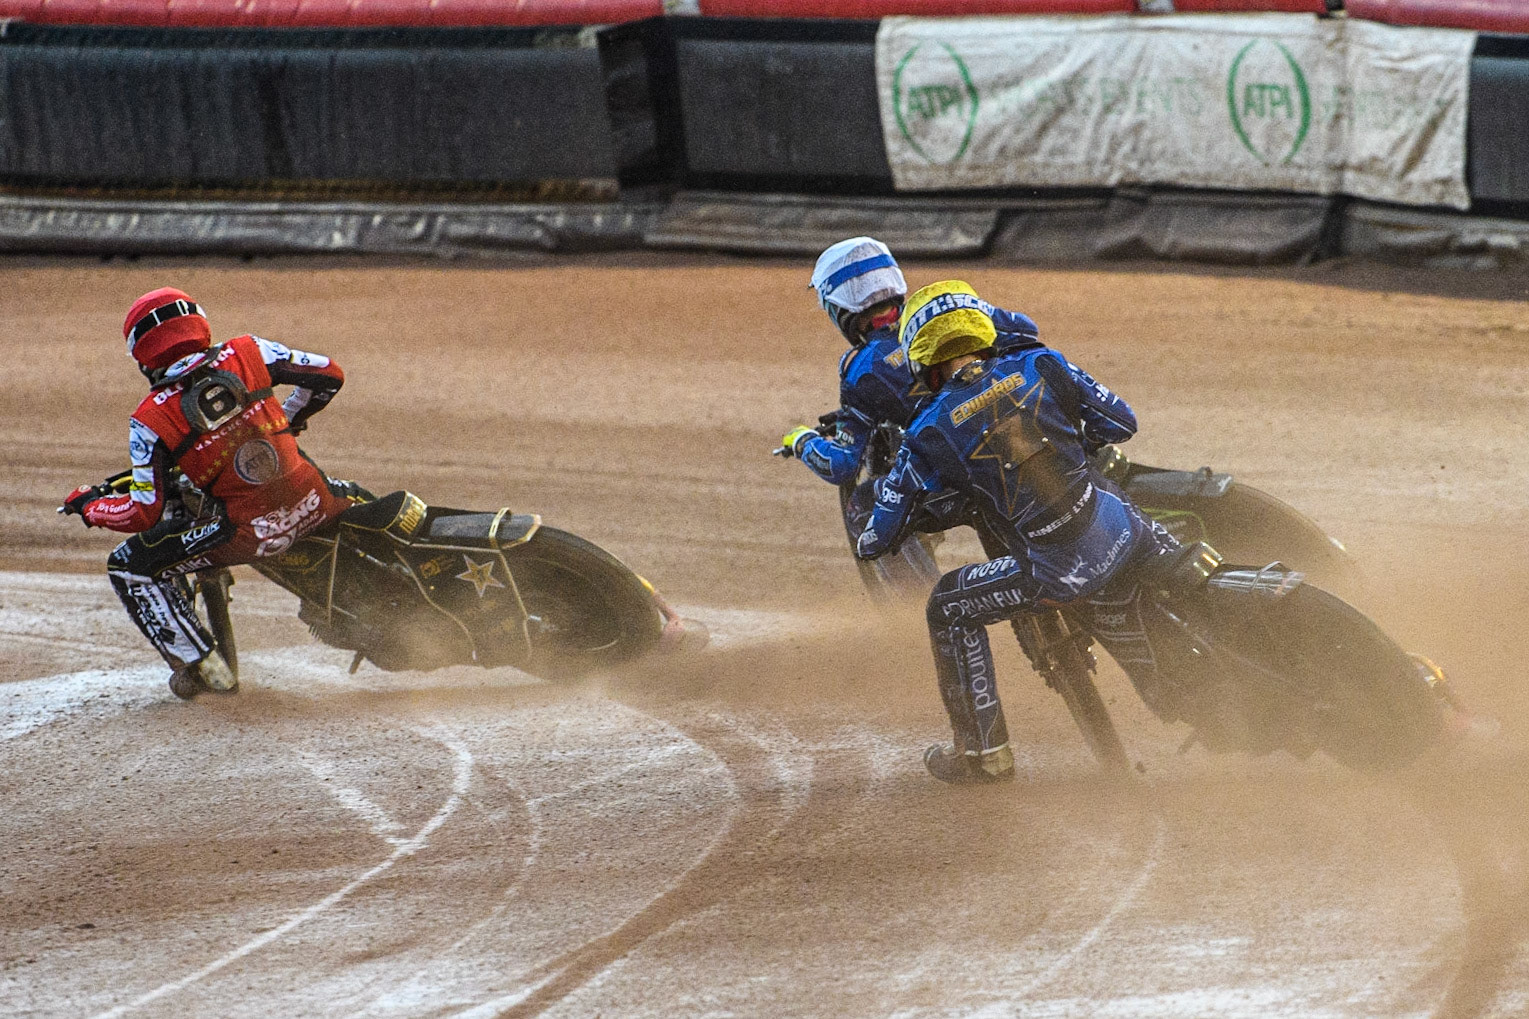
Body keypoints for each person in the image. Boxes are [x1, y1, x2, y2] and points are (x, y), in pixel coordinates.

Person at [855, 280, 1178, 785]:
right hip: (1124, 528)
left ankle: (984, 754)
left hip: (1056, 572)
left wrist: (887, 506)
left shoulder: (926, 432)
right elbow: (1121, 424)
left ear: (922, 358)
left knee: (947, 606)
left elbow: (876, 540)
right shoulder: (1041, 362)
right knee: (1133, 510)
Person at [60, 287, 353, 699]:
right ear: (198, 322)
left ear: (143, 353)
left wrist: (91, 506)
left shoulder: (149, 419)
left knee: (129, 565)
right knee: (355, 493)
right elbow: (329, 376)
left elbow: (143, 513)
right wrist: (288, 421)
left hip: (251, 535)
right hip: (319, 501)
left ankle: (204, 669)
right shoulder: (249, 350)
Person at [777, 237, 1045, 545]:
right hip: (1034, 430)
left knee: (864, 506)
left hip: (969, 474)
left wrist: (801, 441)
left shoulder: (861, 369)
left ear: (840, 308)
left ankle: (911, 593)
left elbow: (842, 465)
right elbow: (1026, 329)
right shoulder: (949, 309)